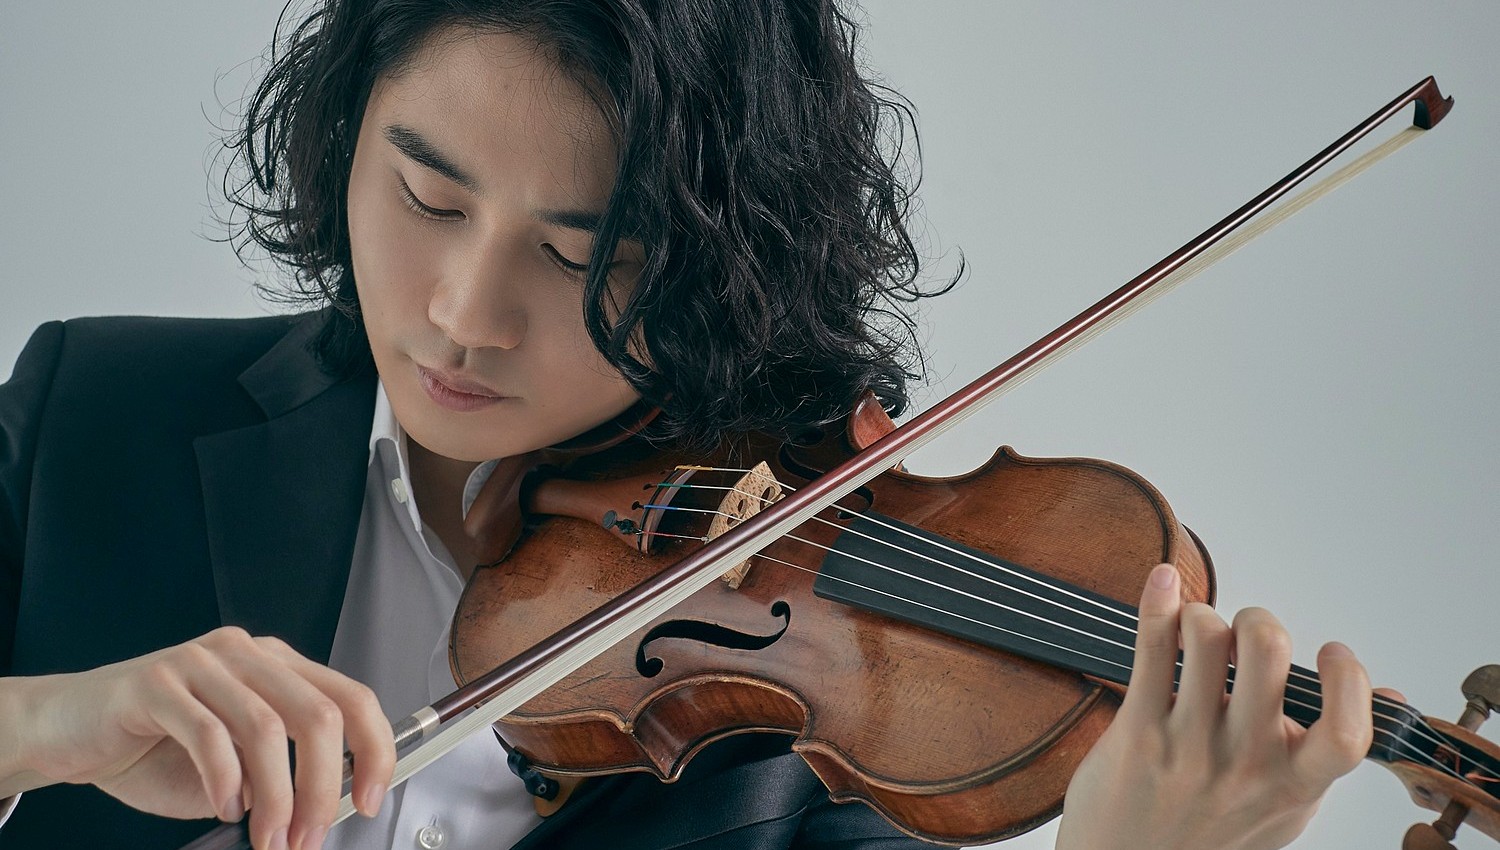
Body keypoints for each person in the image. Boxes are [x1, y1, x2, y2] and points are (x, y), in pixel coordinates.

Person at [0, 1, 1387, 848]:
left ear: (722, 272)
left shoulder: (825, 726)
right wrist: (38, 726)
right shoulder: (93, 411)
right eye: (427, 199)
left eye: (583, 257)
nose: (465, 313)